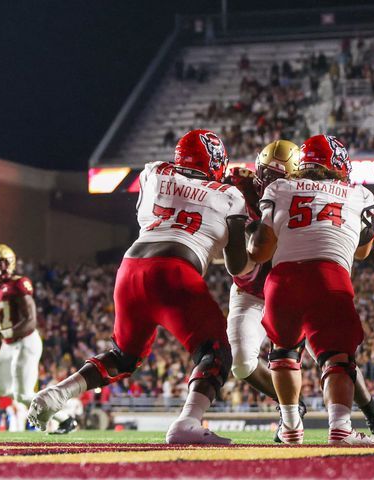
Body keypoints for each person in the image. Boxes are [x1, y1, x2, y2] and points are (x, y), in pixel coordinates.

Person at [29, 129, 250, 445]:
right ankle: (187, 422)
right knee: (215, 353)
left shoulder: (154, 172)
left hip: (130, 269)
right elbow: (237, 265)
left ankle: (58, 393)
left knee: (122, 357)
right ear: (215, 160)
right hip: (175, 272)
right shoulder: (230, 196)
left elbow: (146, 216)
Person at [225, 140, 374, 443]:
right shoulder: (359, 194)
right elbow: (362, 252)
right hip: (325, 279)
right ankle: (341, 427)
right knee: (336, 357)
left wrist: (253, 224)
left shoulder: (277, 191)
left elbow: (259, 251)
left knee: (283, 354)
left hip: (281, 282)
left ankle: (291, 427)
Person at [0, 243, 43, 432]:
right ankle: (29, 393)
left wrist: (0, 335)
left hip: (26, 340)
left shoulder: (19, 284)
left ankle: (63, 417)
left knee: (22, 395)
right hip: (7, 342)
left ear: (10, 264)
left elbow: (30, 321)